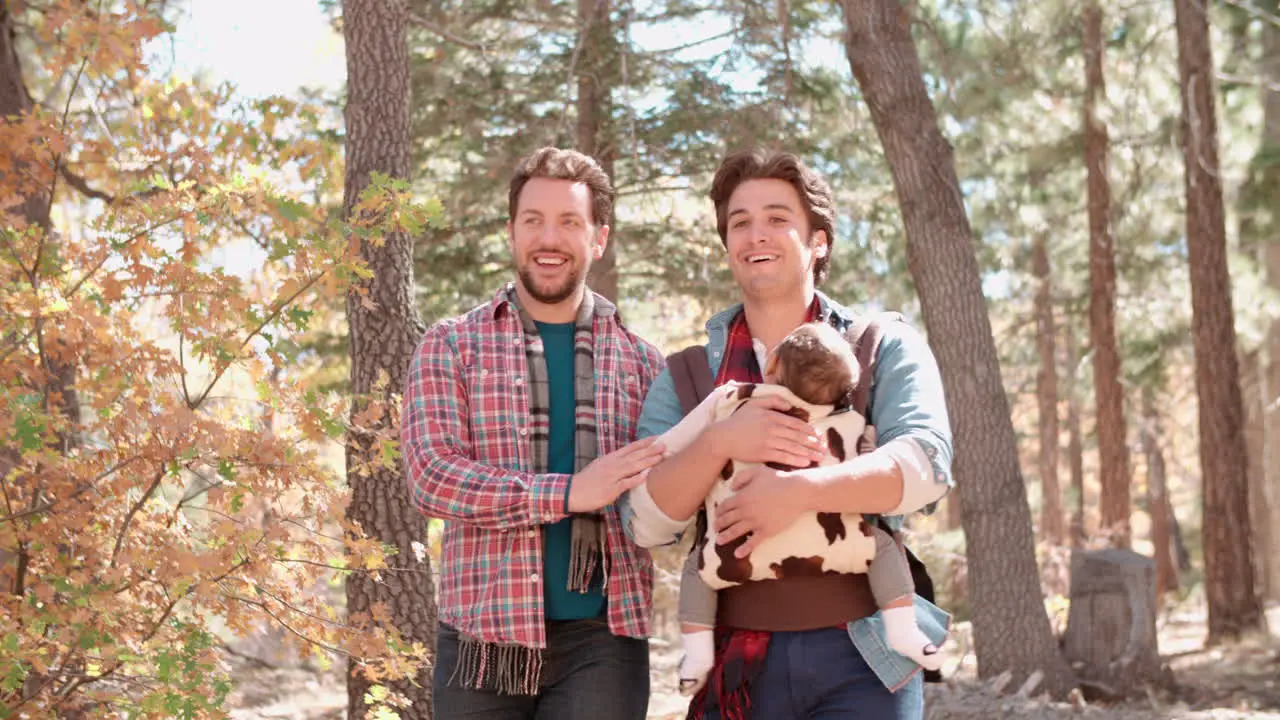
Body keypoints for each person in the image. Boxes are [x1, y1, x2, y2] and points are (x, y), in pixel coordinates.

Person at [619, 149, 954, 719]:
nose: (757, 235)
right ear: (727, 244)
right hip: (736, 667)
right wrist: (721, 440)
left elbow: (926, 468)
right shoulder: (688, 377)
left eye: (778, 218)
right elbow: (646, 521)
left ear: (818, 241)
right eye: (740, 223)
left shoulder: (881, 347)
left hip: (867, 653)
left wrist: (802, 493)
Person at [401, 147, 666, 719]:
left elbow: (667, 498)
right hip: (482, 640)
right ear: (511, 233)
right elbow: (431, 476)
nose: (550, 238)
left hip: (605, 640)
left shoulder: (644, 364)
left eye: (569, 222)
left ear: (598, 239)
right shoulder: (451, 345)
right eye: (533, 221)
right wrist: (569, 493)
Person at [660, 322, 943, 697]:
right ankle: (904, 629)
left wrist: (657, 454)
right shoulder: (851, 423)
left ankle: (697, 658)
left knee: (698, 570)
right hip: (839, 547)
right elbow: (879, 461)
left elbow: (671, 444)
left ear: (773, 363)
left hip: (738, 547)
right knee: (885, 548)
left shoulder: (732, 401)